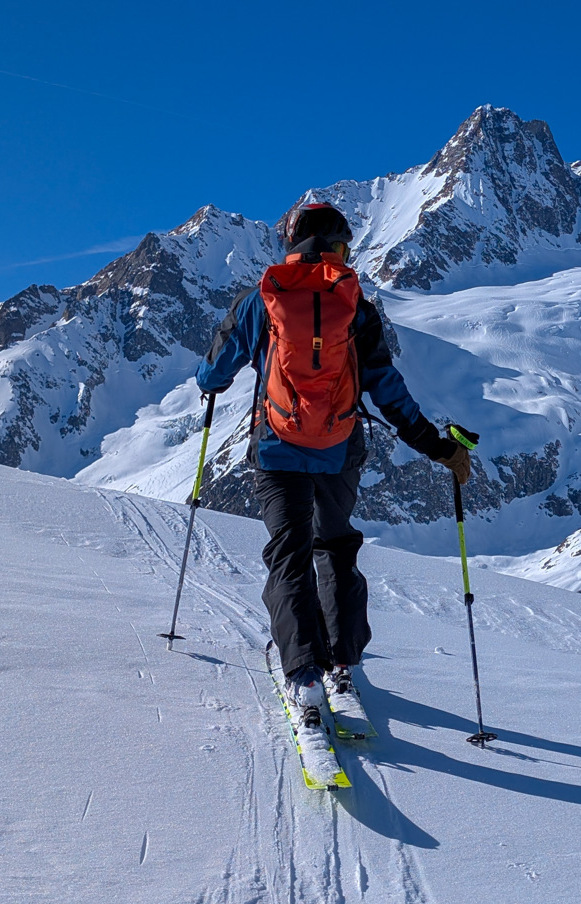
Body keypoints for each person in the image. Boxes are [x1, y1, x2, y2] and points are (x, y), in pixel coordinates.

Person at [196, 202, 471, 725]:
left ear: (292, 243)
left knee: (289, 557)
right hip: (340, 450)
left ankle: (303, 677)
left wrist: (212, 382)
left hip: (276, 450)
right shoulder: (354, 305)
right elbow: (387, 389)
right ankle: (342, 666)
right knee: (335, 549)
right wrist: (435, 445)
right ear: (339, 245)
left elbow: (213, 373)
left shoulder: (264, 297)